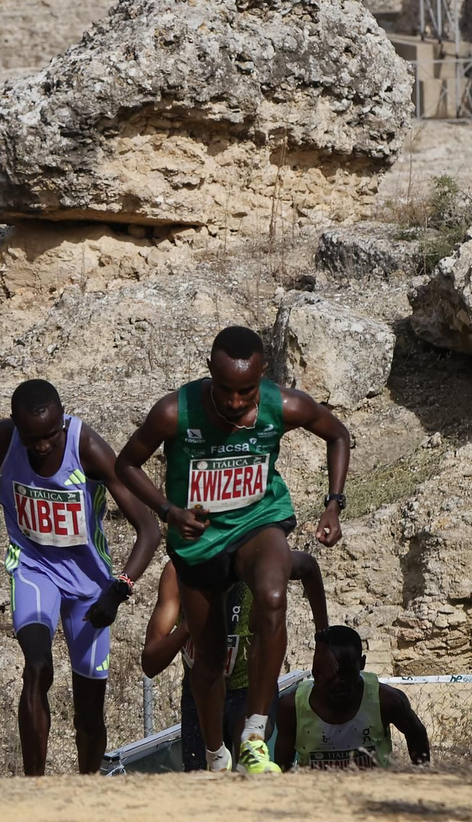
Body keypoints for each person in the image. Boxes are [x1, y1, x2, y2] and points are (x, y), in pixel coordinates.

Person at [114, 325, 352, 775]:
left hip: (256, 522)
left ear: (263, 376)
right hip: (198, 539)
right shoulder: (174, 412)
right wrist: (168, 510)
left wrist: (334, 504)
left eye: (247, 391)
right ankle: (214, 753)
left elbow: (337, 434)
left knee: (273, 596)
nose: (237, 402)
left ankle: (254, 737)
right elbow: (126, 463)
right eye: (226, 390)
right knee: (207, 663)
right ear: (209, 373)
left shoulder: (284, 404)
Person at [0, 379, 161, 774]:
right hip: (34, 569)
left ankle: (86, 788)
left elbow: (149, 530)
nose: (41, 446)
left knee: (88, 715)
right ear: (15, 425)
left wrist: (119, 589)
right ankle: (35, 790)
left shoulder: (87, 448)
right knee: (38, 665)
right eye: (31, 438)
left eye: (49, 435)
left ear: (63, 420)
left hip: (89, 586)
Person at [141, 549, 329, 770]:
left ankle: (251, 765)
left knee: (246, 751)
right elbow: (150, 663)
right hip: (201, 695)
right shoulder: (178, 572)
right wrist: (188, 627)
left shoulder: (258, 562)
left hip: (248, 689)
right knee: (203, 776)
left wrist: (323, 639)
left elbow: (308, 566)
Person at [275, 625, 431, 770]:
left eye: (347, 672)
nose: (339, 681)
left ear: (362, 664)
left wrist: (420, 777)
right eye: (331, 672)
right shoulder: (293, 707)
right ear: (318, 668)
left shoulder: (386, 700)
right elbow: (283, 768)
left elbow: (416, 733)